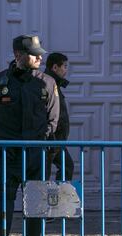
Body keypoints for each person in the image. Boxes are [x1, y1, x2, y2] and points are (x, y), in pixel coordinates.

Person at [0, 34, 60, 236]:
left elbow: (53, 120)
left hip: (35, 157)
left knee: (35, 210)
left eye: (40, 53)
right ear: (18, 55)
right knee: (1, 210)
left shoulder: (47, 83)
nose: (39, 57)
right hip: (7, 156)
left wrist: (41, 146)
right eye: (34, 53)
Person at [44, 52, 74, 181]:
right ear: (55, 67)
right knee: (44, 172)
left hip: (57, 140)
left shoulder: (55, 83)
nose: (66, 70)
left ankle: (58, 197)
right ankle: (49, 199)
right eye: (65, 66)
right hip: (51, 139)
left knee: (66, 167)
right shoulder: (48, 83)